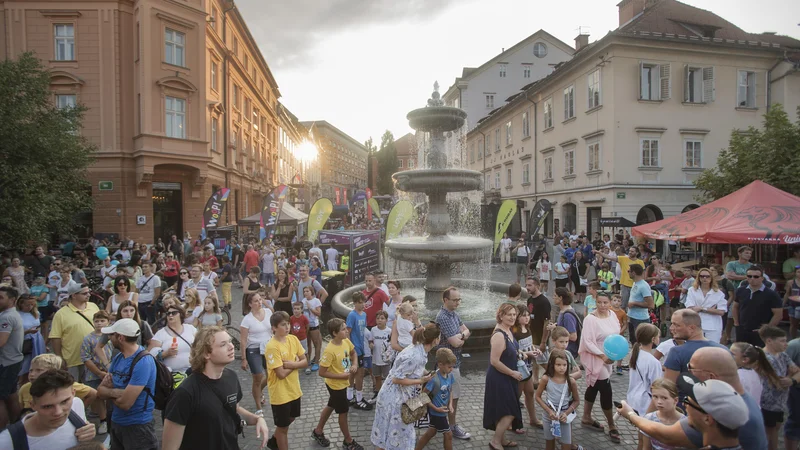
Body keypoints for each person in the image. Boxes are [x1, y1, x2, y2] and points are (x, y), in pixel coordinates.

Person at [621, 346, 768, 449]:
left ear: (711, 376)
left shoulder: (722, 410)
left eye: (691, 368)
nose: (688, 372)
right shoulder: (730, 399)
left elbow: (667, 436)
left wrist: (630, 415)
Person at [162, 326, 268, 450]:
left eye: (230, 341)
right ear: (206, 353)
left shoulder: (231, 377)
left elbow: (234, 408)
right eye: (223, 344)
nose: (231, 346)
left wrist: (257, 419)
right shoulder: (185, 393)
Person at [371, 323, 440, 450]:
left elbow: (414, 370)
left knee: (387, 435)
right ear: (436, 340)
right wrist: (420, 380)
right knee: (394, 436)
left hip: (396, 396)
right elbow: (397, 379)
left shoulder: (419, 349)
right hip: (395, 399)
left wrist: (426, 373)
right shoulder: (415, 355)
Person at [97, 318, 158, 450]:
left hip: (138, 427)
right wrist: (117, 393)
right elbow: (100, 392)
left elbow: (125, 404)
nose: (109, 337)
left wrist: (110, 392)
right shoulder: (118, 357)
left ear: (121, 338)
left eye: (112, 334)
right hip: (116, 423)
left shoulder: (143, 361)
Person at [0, 369, 96, 449]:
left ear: (73, 393)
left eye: (64, 402)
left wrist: (88, 435)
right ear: (32, 405)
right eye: (48, 406)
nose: (58, 412)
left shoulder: (76, 404)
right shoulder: (7, 442)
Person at [312, 318, 364, 450]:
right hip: (336, 386)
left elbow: (353, 353)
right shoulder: (329, 350)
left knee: (331, 405)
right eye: (343, 329)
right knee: (343, 412)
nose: (347, 331)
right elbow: (322, 372)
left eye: (346, 328)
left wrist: (355, 364)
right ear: (335, 333)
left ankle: (318, 431)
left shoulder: (345, 341)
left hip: (343, 384)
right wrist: (341, 376)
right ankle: (348, 441)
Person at [578, 291, 621, 443]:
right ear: (595, 302)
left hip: (609, 357)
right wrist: (602, 356)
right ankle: (611, 424)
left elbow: (617, 334)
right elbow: (588, 341)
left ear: (610, 303)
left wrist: (616, 354)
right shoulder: (590, 319)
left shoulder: (612, 315)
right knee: (605, 389)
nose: (602, 306)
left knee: (594, 386)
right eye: (599, 302)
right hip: (595, 357)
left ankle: (586, 416)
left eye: (605, 302)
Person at [263, 311, 307, 450]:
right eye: (283, 324)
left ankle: (273, 441)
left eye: (288, 323)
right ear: (274, 328)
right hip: (280, 394)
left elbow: (305, 361)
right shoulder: (272, 347)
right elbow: (281, 374)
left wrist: (293, 364)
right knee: (283, 428)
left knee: (291, 418)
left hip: (293, 390)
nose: (287, 327)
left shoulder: (293, 339)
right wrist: (295, 364)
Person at [483, 303, 525, 448]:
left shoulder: (508, 330)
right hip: (500, 377)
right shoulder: (499, 335)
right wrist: (512, 372)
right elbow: (494, 361)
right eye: (509, 315)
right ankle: (495, 441)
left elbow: (510, 350)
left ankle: (503, 440)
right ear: (501, 315)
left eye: (514, 315)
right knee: (511, 410)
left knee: (503, 409)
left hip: (507, 376)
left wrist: (525, 354)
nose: (513, 317)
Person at [435, 287, 472, 440]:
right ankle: (452, 427)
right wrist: (462, 335)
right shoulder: (443, 317)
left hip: (454, 362)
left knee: (449, 396)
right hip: (449, 365)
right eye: (455, 300)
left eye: (459, 299)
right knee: (452, 397)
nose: (458, 302)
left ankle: (443, 425)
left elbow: (466, 331)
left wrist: (461, 335)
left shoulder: (454, 313)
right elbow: (455, 343)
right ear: (445, 300)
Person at [663, 310, 727, 396]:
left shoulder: (676, 352)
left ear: (692, 328)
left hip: (685, 405)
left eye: (676, 325)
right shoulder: (724, 350)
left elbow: (667, 389)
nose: (671, 328)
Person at [758, 325, 800, 450]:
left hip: (779, 402)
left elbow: (796, 370)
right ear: (769, 341)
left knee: (775, 429)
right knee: (770, 433)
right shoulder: (765, 358)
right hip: (766, 403)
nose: (786, 344)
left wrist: (791, 378)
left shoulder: (782, 355)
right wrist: (791, 376)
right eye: (782, 341)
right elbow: (779, 383)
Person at [50, 284, 99, 383]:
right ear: (74, 295)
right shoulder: (60, 314)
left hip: (94, 358)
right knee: (73, 386)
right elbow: (55, 338)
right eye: (84, 293)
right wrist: (60, 358)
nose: (88, 295)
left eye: (89, 292)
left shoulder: (93, 306)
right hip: (72, 360)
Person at [535, 349, 581, 450]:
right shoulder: (546, 379)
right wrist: (549, 411)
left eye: (564, 365)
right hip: (549, 416)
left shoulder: (571, 381)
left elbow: (577, 401)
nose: (562, 368)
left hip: (564, 415)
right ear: (552, 365)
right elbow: (537, 397)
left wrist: (567, 413)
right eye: (558, 365)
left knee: (566, 445)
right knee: (549, 444)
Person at [415, 348, 457, 450]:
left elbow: (450, 390)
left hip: (442, 411)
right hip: (436, 413)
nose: (451, 369)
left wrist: (450, 404)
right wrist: (436, 408)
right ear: (440, 364)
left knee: (431, 432)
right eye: (449, 367)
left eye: (452, 367)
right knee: (448, 435)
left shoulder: (450, 375)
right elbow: (423, 396)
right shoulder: (433, 379)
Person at [732, 265, 783, 347]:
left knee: (760, 356)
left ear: (762, 278)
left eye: (756, 276)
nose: (752, 278)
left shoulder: (771, 294)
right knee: (741, 354)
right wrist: (736, 323)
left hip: (761, 332)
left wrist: (767, 329)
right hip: (742, 330)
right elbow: (735, 307)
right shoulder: (740, 290)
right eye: (749, 276)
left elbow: (778, 315)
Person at [80, 310, 112, 434]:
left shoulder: (111, 337)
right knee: (97, 396)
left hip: (110, 371)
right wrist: (99, 372)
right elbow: (85, 358)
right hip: (93, 373)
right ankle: (103, 420)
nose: (99, 324)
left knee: (110, 395)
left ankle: (111, 419)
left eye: (102, 321)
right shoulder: (88, 338)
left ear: (108, 322)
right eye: (96, 321)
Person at [514, 304, 544, 429]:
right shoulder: (515, 332)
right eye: (523, 316)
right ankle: (513, 421)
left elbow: (530, 345)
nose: (526, 318)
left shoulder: (528, 329)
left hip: (529, 367)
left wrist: (535, 351)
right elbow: (514, 352)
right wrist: (528, 353)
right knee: (517, 395)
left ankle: (533, 419)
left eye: (527, 315)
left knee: (530, 392)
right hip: (520, 368)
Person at [148, 303, 196, 375]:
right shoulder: (160, 333)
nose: (170, 315)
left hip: (192, 371)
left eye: (174, 313)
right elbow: (149, 356)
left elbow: (201, 346)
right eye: (168, 313)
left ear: (181, 314)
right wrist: (166, 353)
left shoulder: (190, 329)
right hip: (171, 374)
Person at [0, 285, 24, 429]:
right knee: (11, 394)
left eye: (1, 298)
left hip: (6, 363)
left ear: (12, 300)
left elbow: (1, 341)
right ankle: (17, 424)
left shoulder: (7, 317)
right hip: (12, 361)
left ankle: (2, 431)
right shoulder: (9, 315)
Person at [684, 267, 727, 343]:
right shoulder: (692, 290)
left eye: (707, 276)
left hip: (713, 326)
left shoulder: (718, 293)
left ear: (711, 278)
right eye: (702, 276)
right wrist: (711, 309)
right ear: (698, 278)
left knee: (712, 349)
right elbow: (690, 308)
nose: (704, 278)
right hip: (696, 324)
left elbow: (721, 312)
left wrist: (702, 308)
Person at [626, 323, 662, 416]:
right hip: (645, 403)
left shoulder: (635, 353)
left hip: (632, 398)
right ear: (653, 339)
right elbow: (656, 386)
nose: (659, 339)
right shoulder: (654, 362)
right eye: (658, 336)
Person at [345, 292, 371, 410]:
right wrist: (351, 348)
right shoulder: (352, 315)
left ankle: (350, 396)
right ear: (354, 303)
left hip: (361, 347)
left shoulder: (364, 315)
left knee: (355, 372)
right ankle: (358, 398)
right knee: (358, 373)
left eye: (363, 302)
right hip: (355, 350)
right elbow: (347, 332)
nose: (362, 304)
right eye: (360, 302)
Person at [17, 294, 46, 385]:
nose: (30, 307)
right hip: (23, 342)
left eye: (32, 305)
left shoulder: (35, 313)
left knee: (33, 368)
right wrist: (27, 331)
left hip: (36, 341)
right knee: (22, 369)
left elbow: (41, 327)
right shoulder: (17, 315)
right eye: (27, 305)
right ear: (21, 304)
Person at [627, 264, 654, 343]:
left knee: (641, 342)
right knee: (633, 341)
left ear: (633, 273)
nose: (627, 272)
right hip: (632, 317)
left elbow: (650, 305)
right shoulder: (635, 283)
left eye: (629, 271)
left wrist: (634, 303)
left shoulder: (643, 286)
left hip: (641, 319)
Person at [550, 288, 580, 358]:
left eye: (555, 295)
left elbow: (573, 336)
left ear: (560, 298)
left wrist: (555, 329)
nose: (553, 297)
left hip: (568, 351)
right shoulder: (563, 311)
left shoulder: (567, 316)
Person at [784, 264, 800, 339]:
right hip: (793, 305)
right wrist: (782, 304)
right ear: (795, 273)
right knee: (793, 325)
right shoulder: (790, 282)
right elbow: (787, 294)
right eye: (798, 272)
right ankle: (793, 340)